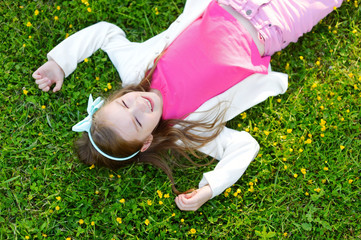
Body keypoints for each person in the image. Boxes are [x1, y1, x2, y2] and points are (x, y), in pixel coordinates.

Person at [33, 0, 343, 211]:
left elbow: (105, 33)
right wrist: (211, 187)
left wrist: (59, 62)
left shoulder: (135, 69)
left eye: (125, 103)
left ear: (117, 96)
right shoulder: (186, 129)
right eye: (139, 122)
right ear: (147, 143)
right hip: (273, 28)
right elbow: (244, 146)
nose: (139, 105)